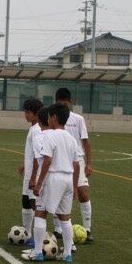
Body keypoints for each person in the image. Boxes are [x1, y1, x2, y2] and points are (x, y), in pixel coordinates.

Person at [21, 103, 79, 263]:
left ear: (54, 118)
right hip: (68, 178)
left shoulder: (49, 136)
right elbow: (76, 164)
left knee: (40, 213)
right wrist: (74, 186)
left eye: (48, 117)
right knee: (65, 218)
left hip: (53, 178)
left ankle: (38, 252)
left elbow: (47, 161)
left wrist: (38, 183)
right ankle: (67, 253)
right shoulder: (71, 139)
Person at [54, 88, 94, 243]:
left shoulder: (78, 119)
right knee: (58, 193)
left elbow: (85, 141)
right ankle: (57, 229)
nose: (64, 106)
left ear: (70, 103)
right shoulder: (53, 118)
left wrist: (89, 163)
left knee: (83, 193)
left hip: (77, 159)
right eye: (60, 104)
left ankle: (88, 229)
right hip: (59, 160)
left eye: (66, 103)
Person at [17, 98, 43, 248]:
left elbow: (38, 154)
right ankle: (28, 233)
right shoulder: (33, 128)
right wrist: (25, 164)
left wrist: (33, 176)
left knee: (35, 204)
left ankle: (37, 238)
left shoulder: (38, 130)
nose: (25, 115)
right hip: (30, 173)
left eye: (27, 112)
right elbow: (32, 153)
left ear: (36, 114)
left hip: (35, 175)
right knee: (26, 202)